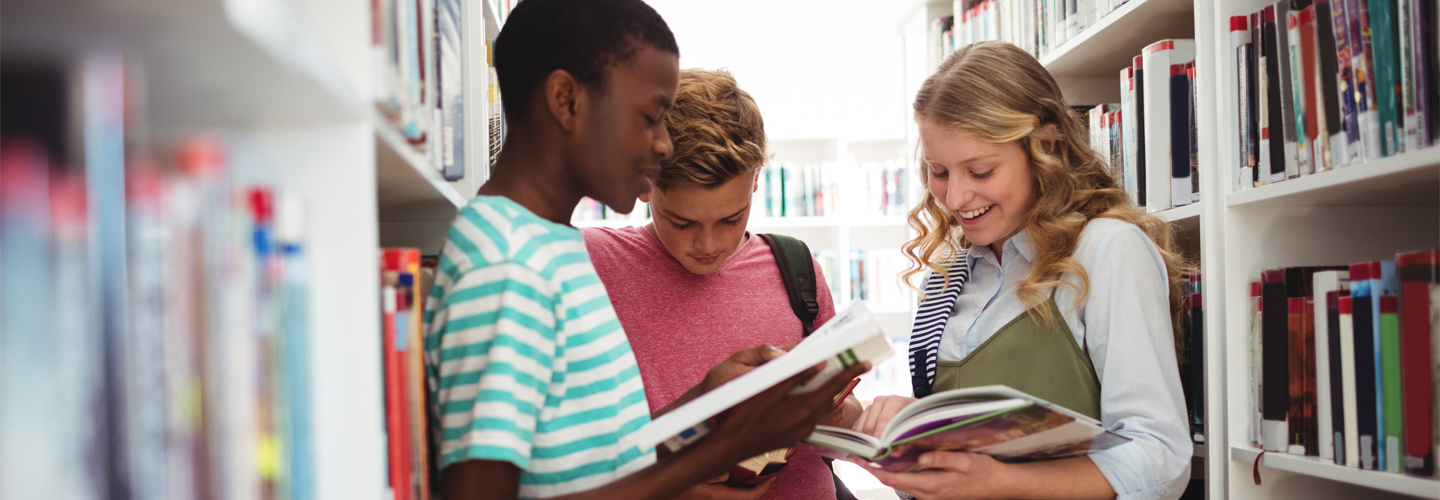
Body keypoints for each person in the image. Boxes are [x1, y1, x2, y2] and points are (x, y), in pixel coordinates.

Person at [422, 1, 866, 499]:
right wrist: (720, 450)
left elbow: (602, 458)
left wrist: (707, 403)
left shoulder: (549, 249)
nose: (660, 147)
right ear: (566, 100)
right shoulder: (504, 264)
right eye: (649, 117)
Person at [850, 41, 1193, 500]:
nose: (954, 199)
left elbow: (1161, 459)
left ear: (1045, 147)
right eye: (939, 172)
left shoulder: (1107, 251)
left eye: (981, 170)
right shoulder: (948, 272)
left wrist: (1000, 483)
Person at [585, 68, 863, 500]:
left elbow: (841, 429)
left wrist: (829, 409)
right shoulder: (591, 265)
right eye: (682, 221)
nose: (708, 245)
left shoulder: (795, 266)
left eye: (732, 218)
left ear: (755, 181)